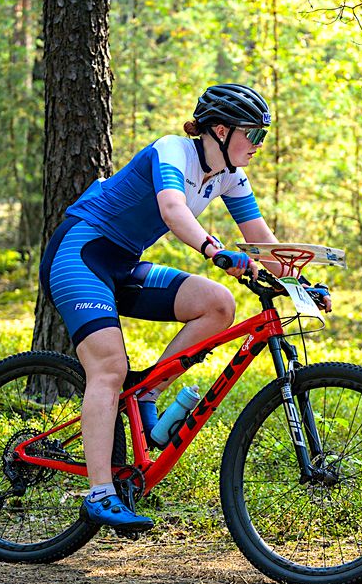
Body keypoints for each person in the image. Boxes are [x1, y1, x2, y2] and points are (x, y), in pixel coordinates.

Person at [39, 84, 332, 531]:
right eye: (253, 134)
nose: (258, 145)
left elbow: (261, 240)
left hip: (123, 264)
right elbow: (173, 210)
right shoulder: (172, 151)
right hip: (80, 254)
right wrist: (215, 251)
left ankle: (147, 394)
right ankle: (100, 493)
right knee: (109, 368)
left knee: (218, 304)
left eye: (263, 136)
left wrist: (302, 285)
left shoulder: (229, 175)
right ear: (221, 130)